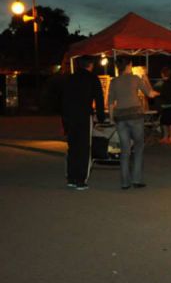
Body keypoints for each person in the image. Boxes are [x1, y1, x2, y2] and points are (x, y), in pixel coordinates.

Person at [108, 57, 159, 190]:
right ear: (129, 65)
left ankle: (125, 182)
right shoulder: (135, 78)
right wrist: (146, 80)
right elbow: (150, 94)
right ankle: (137, 179)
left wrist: (112, 118)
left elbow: (110, 102)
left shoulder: (114, 81)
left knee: (125, 150)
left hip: (120, 117)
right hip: (135, 116)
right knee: (138, 147)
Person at [61, 56, 105, 190]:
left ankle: (71, 178)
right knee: (84, 147)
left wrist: (64, 121)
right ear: (90, 65)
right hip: (84, 115)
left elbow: (63, 99)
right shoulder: (92, 78)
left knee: (73, 147)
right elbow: (99, 98)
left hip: (70, 116)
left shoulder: (69, 78)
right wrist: (101, 117)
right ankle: (81, 180)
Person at [156, 67, 171, 144]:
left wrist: (157, 94)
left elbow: (164, 93)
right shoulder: (170, 82)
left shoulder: (165, 83)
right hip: (169, 104)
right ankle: (166, 137)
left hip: (168, 105)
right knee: (164, 122)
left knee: (169, 122)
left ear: (162, 74)